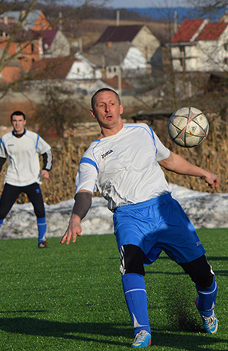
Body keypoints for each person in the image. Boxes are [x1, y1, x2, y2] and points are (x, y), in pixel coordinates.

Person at [60, 88, 219, 348]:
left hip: (164, 210)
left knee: (204, 276)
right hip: (128, 216)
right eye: (101, 106)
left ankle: (205, 308)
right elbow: (85, 193)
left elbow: (169, 160)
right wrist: (76, 218)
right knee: (131, 266)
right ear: (93, 113)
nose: (108, 109)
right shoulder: (92, 155)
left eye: (112, 103)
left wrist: (202, 173)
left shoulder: (143, 131)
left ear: (121, 107)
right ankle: (142, 330)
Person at [0, 111, 53, 251]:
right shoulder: (5, 140)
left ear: (24, 121)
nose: (17, 123)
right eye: (14, 120)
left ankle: (42, 241)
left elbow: (47, 151)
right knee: (2, 212)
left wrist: (46, 169)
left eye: (20, 120)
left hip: (32, 180)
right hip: (12, 180)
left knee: (40, 210)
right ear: (11, 122)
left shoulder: (34, 138)